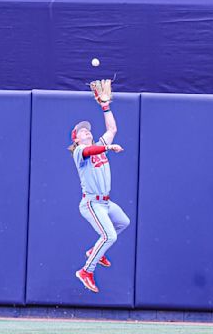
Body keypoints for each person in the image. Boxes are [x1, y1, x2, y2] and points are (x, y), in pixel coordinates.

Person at [68, 96, 130, 293]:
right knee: (110, 236)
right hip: (91, 203)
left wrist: (105, 107)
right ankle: (86, 271)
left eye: (87, 129)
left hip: (106, 203)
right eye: (80, 131)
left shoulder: (99, 145)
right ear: (76, 139)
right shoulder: (80, 151)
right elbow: (91, 150)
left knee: (123, 222)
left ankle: (95, 250)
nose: (85, 130)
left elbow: (112, 130)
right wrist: (109, 147)